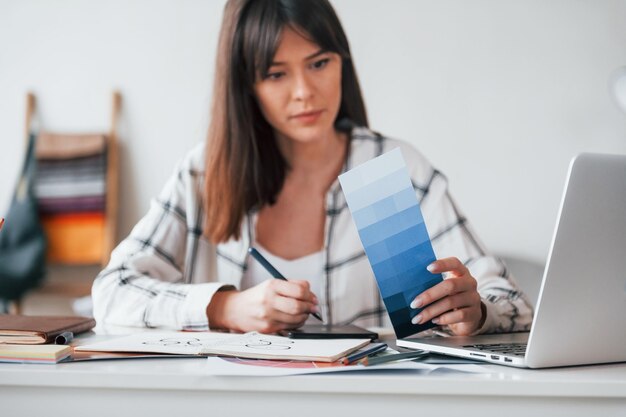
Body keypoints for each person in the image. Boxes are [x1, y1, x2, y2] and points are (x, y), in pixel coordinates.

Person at [92, 0, 533, 336]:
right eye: (276, 74)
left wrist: (475, 312)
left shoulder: (391, 172)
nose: (304, 92)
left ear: (343, 62)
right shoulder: (204, 175)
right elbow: (111, 292)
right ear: (247, 86)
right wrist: (225, 308)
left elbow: (513, 302)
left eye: (319, 63)